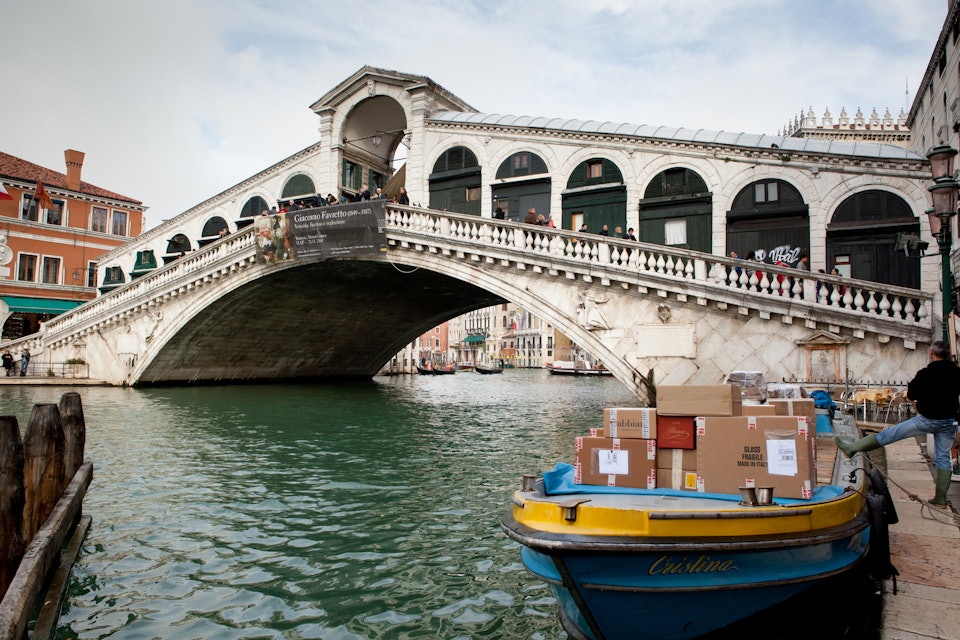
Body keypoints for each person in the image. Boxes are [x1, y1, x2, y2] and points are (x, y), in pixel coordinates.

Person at [835, 339, 960, 509]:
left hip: (927, 420)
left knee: (890, 435)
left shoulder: (926, 373)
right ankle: (940, 500)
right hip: (948, 421)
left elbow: (912, 393)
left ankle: (852, 448)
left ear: (932, 353)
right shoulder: (956, 372)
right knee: (944, 458)